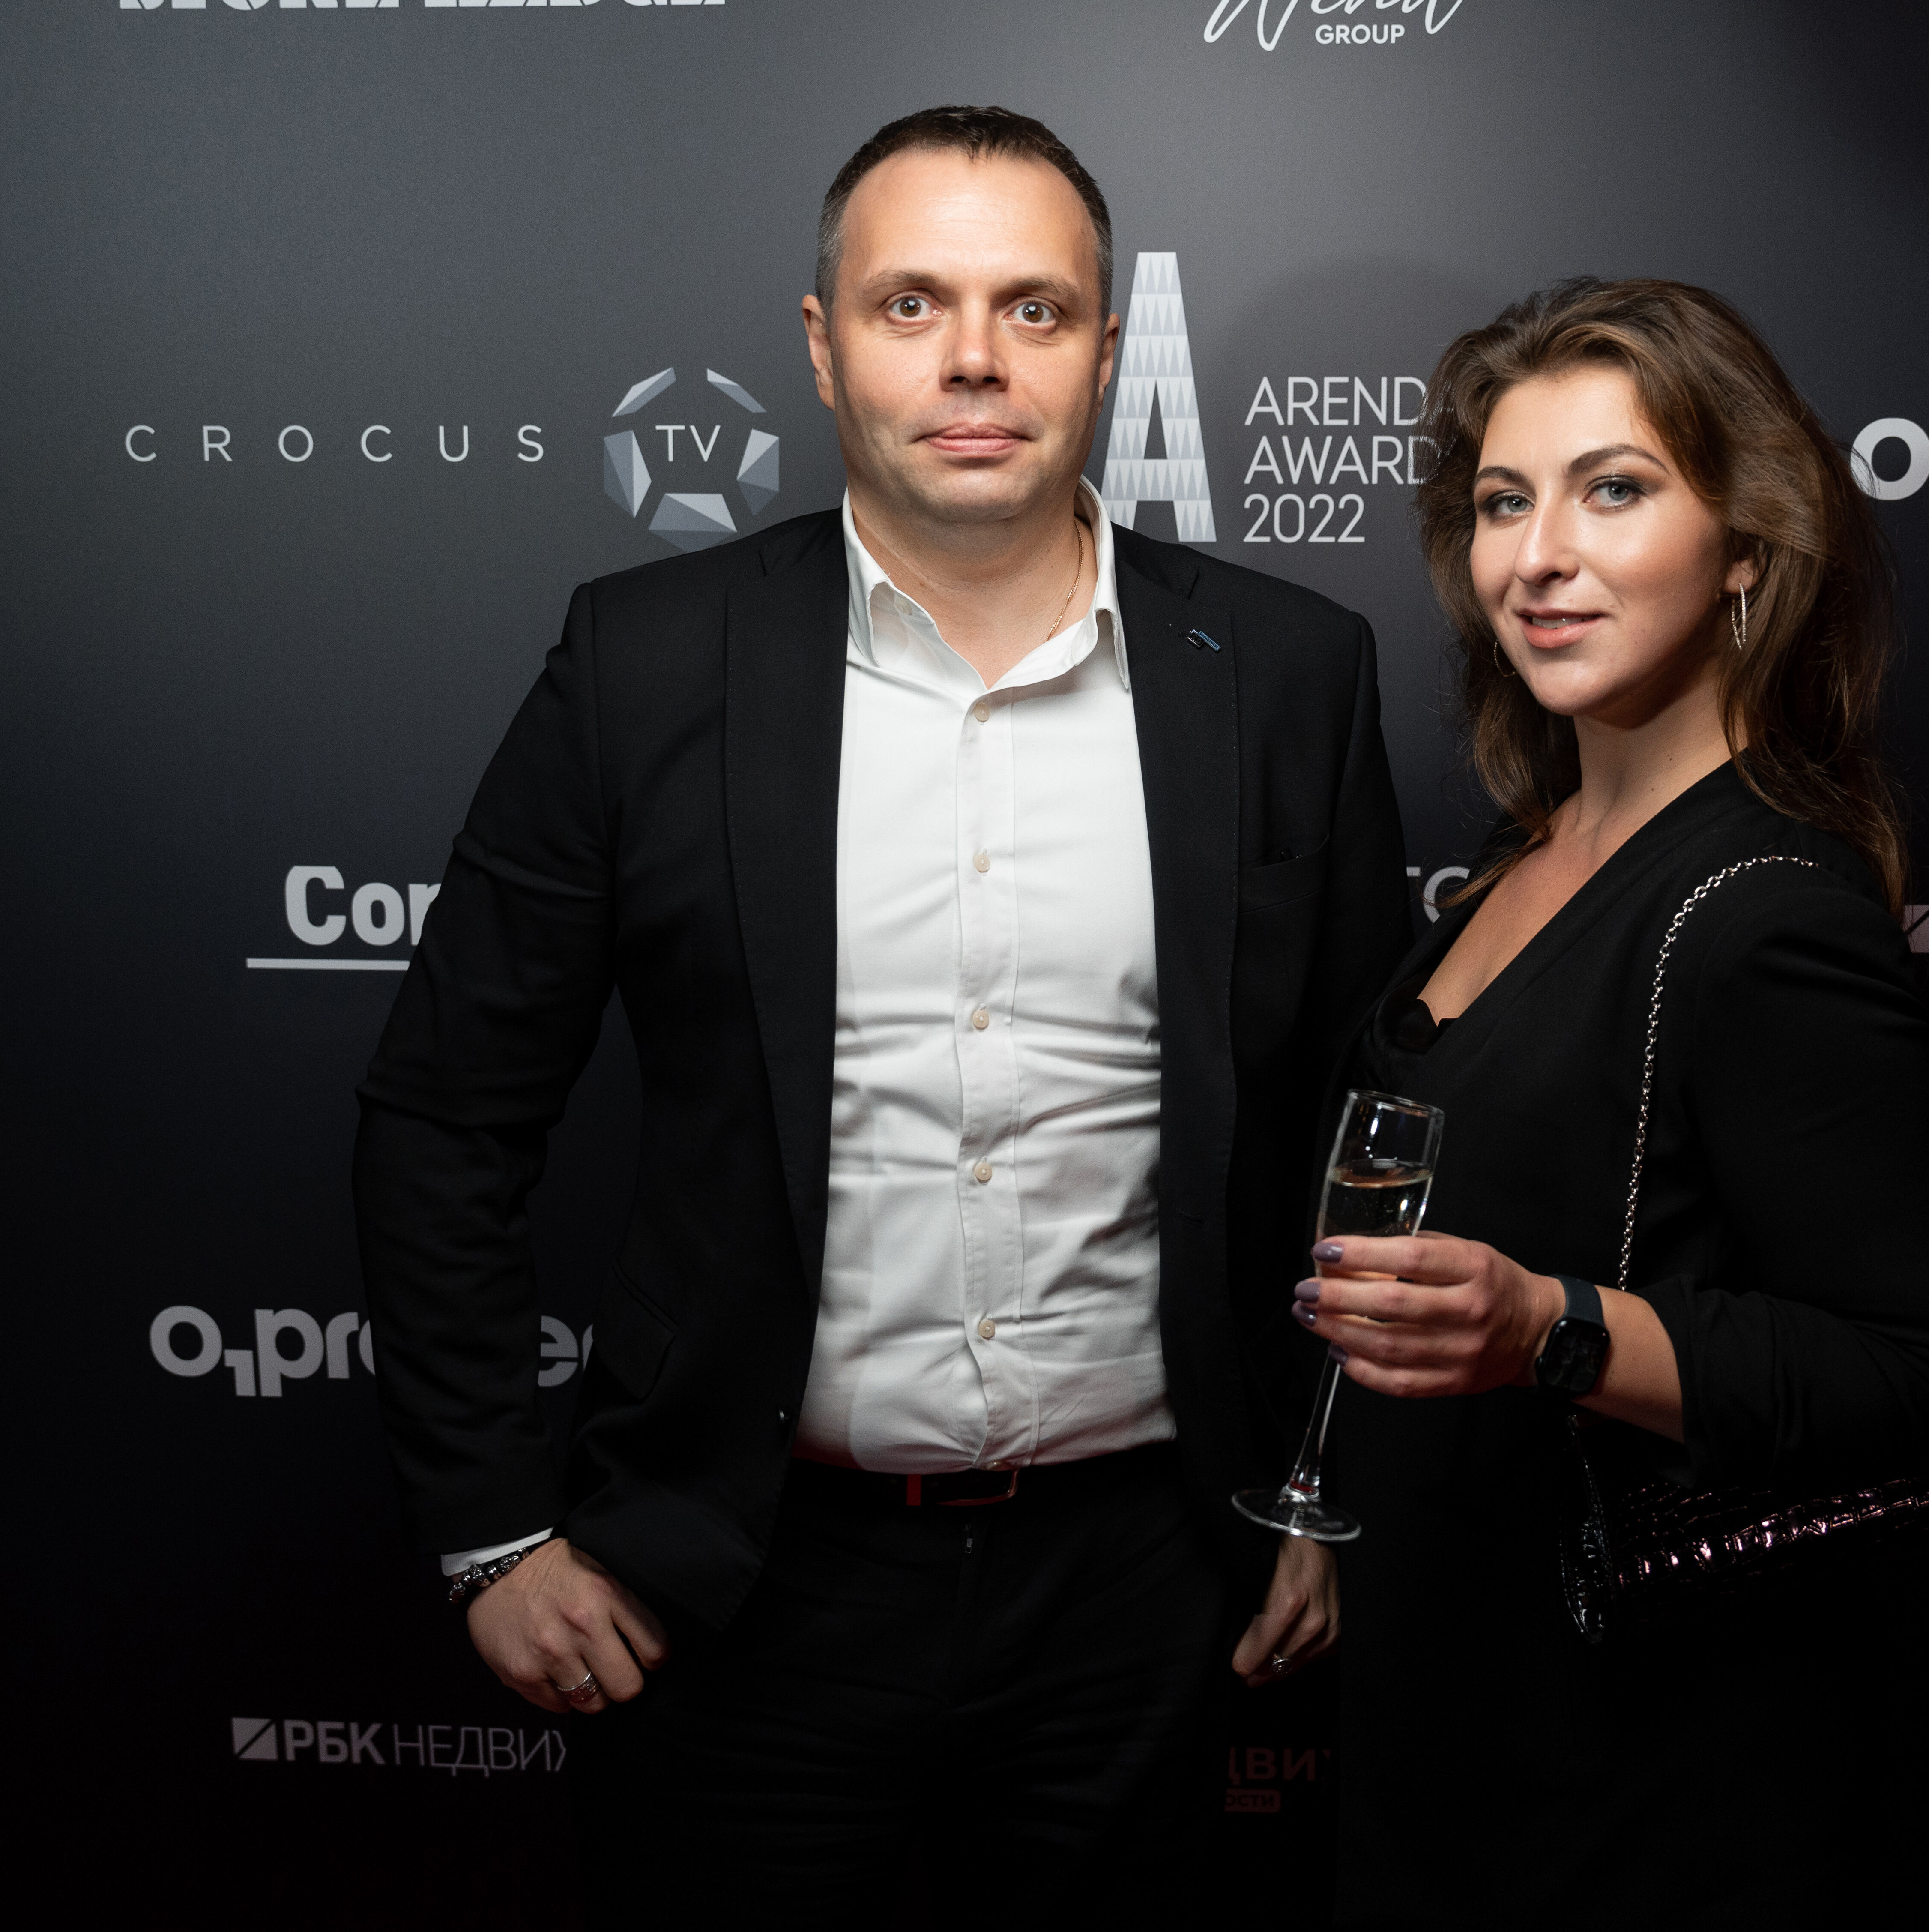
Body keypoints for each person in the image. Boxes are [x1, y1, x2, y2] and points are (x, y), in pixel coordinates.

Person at [350, 105, 1412, 1920]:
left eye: (1032, 308)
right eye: (910, 303)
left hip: (1146, 1588)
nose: (973, 359)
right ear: (824, 346)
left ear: (1102, 346)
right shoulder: (644, 659)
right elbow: (446, 1115)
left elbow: (1362, 1123)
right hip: (730, 1580)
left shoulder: (1288, 667)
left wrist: (1319, 1488)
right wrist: (491, 1532)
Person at [1294, 279, 1929, 1924]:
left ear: (1744, 547)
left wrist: (1549, 1326)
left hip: (1639, 1754)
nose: (1538, 555)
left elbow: (1911, 1372)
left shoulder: (1762, 907)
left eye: (1611, 490)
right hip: (1443, 1687)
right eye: (1501, 503)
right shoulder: (1525, 856)